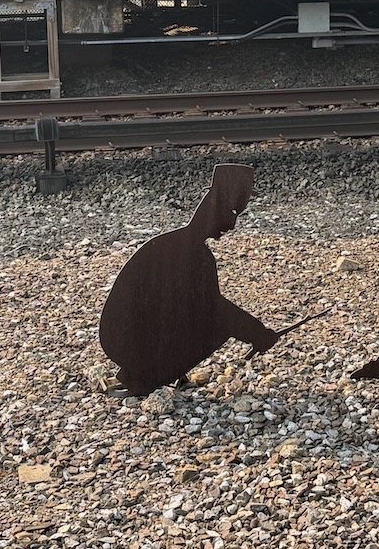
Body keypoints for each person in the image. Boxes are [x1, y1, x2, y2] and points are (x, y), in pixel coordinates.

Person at [98, 164, 280, 395]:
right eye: (232, 213)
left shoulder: (179, 244)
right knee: (219, 324)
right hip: (126, 340)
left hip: (126, 336)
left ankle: (146, 372)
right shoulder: (192, 254)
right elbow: (215, 309)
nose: (232, 224)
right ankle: (145, 376)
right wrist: (257, 333)